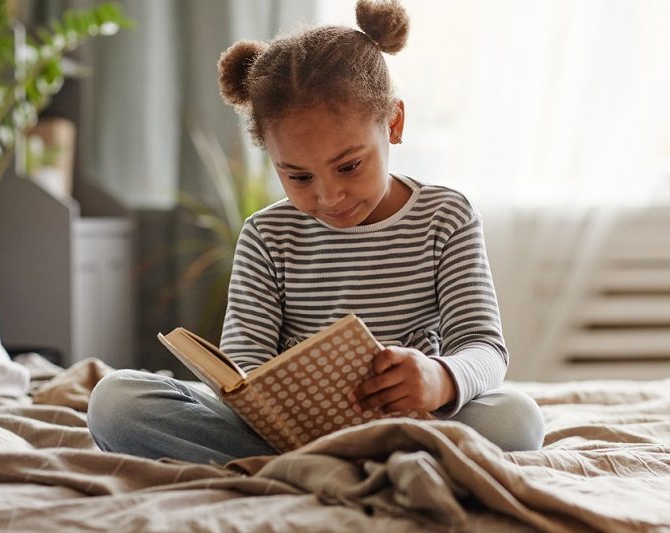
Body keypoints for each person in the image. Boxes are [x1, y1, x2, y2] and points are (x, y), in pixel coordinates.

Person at [88, 0, 544, 465]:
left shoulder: (446, 217)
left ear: (394, 123)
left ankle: (303, 466)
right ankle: (348, 462)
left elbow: (484, 346)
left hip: (410, 420)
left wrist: (440, 378)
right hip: (284, 432)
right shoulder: (266, 236)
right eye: (299, 177)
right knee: (116, 401)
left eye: (349, 166)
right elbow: (243, 366)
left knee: (515, 420)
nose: (329, 197)